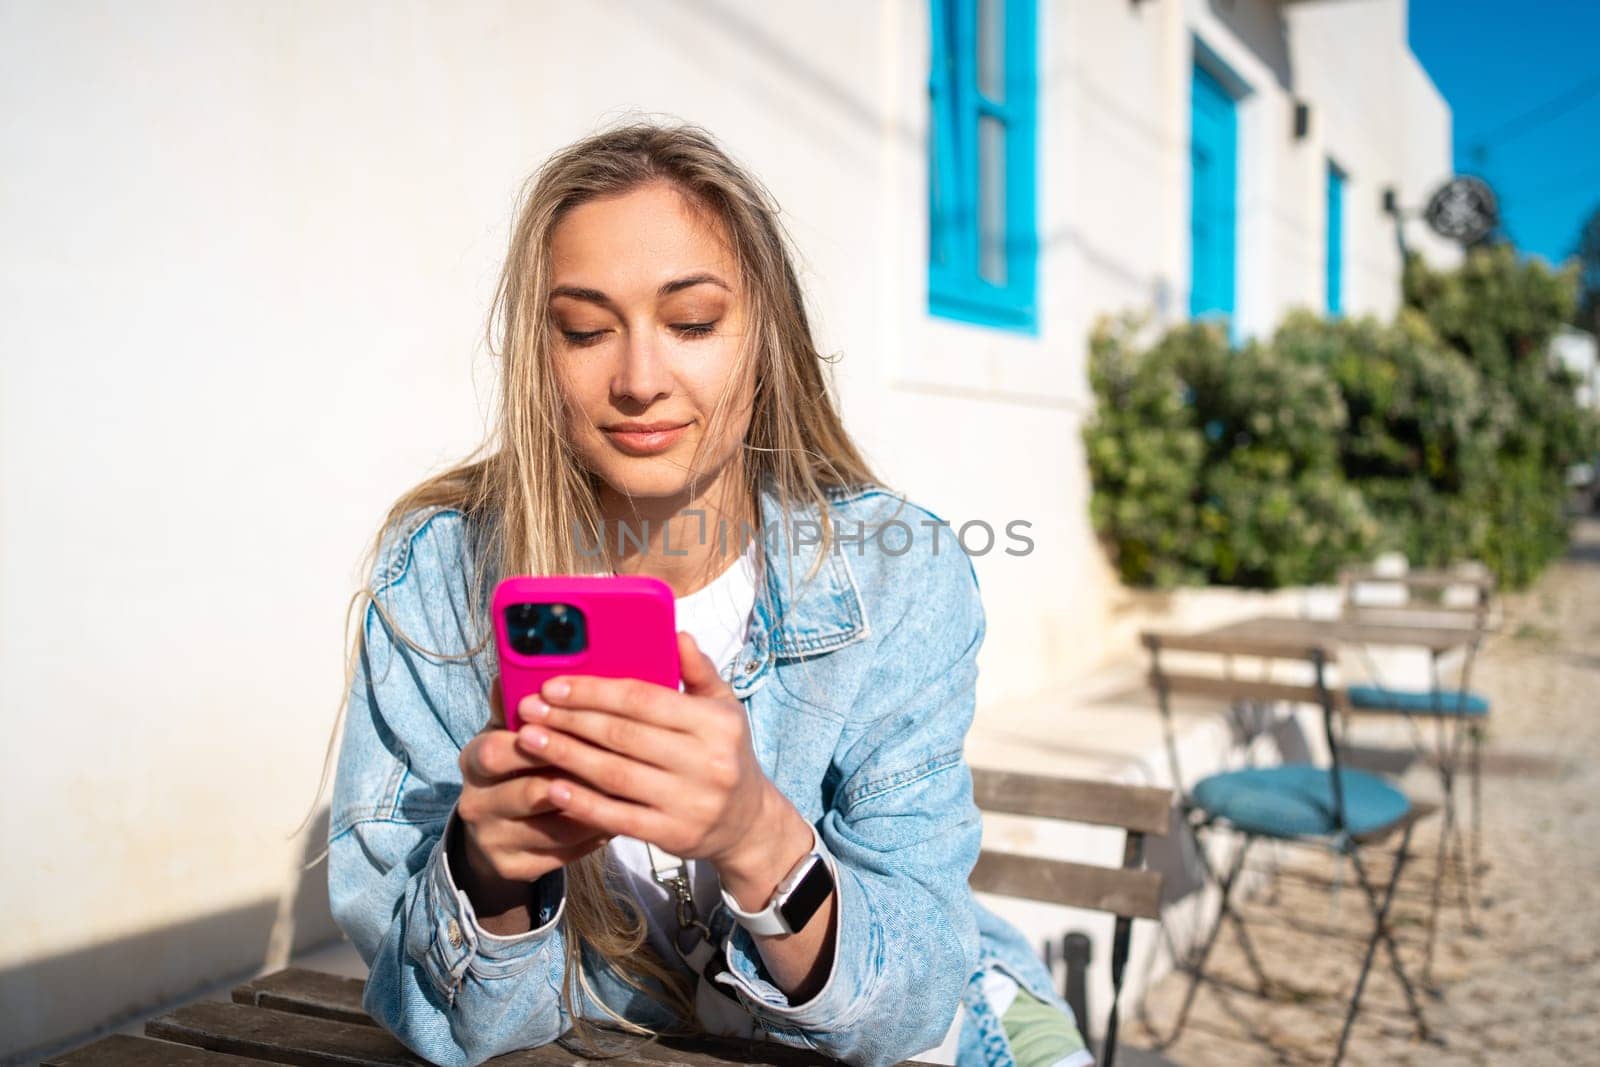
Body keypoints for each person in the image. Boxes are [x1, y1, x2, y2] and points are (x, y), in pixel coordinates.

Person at [325, 120, 1091, 1067]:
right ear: (540, 352)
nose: (641, 380)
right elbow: (460, 1028)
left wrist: (757, 834)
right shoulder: (441, 576)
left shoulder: (898, 571)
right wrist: (488, 871)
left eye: (691, 322)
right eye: (585, 329)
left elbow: (913, 1001)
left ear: (765, 337)